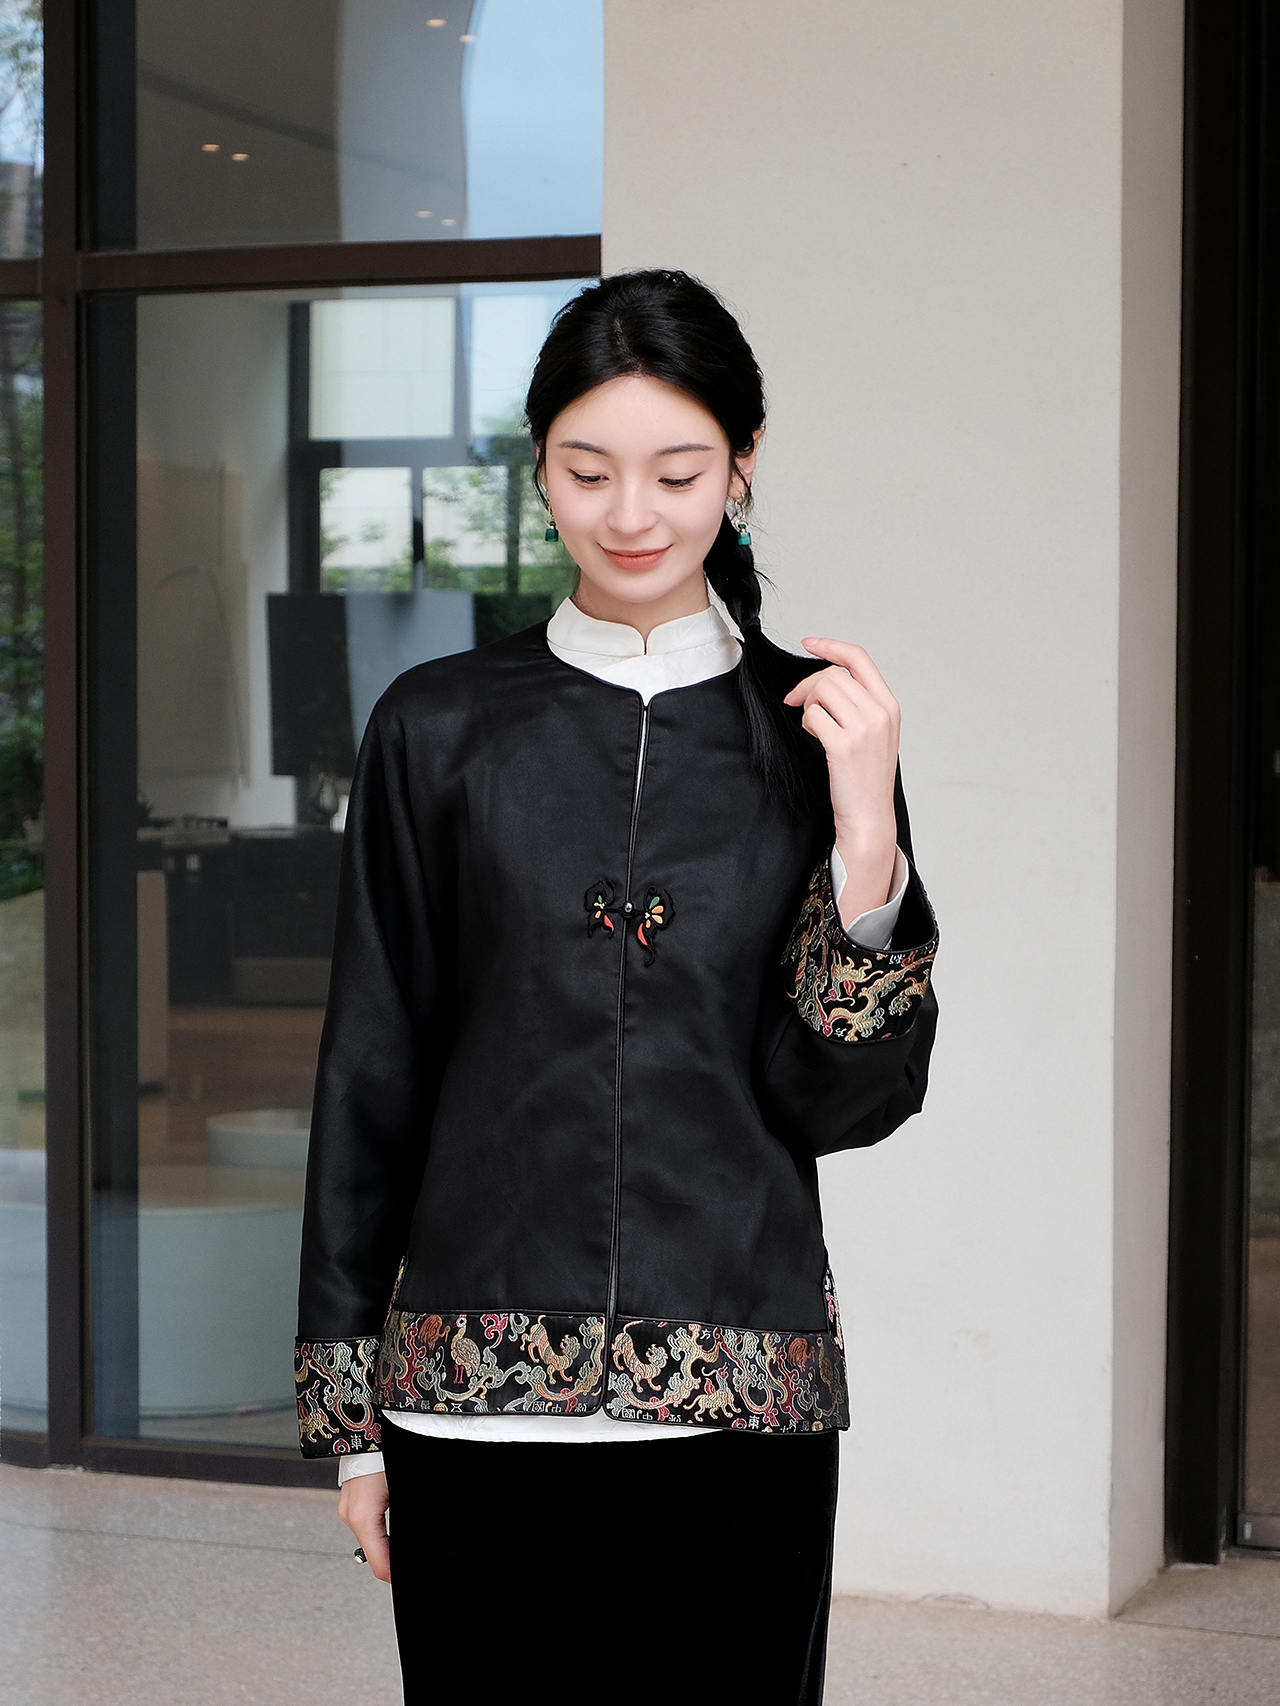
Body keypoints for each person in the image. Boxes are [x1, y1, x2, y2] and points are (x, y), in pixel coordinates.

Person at [295, 269, 938, 1704]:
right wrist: (351, 1426)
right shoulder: (437, 729)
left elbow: (848, 1101)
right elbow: (370, 1073)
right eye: (588, 471)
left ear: (743, 468)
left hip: (742, 1408)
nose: (631, 512)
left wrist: (866, 837)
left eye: (677, 471)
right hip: (471, 1409)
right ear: (540, 472)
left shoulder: (819, 742)